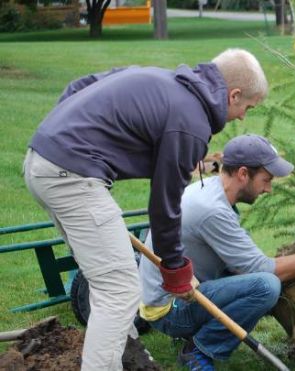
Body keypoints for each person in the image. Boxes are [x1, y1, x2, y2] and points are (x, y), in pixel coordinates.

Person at [23, 48, 268, 370]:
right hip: (71, 178)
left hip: (41, 162)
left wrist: (60, 138)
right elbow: (165, 204)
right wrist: (176, 269)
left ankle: (131, 358)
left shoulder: (161, 80)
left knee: (106, 280)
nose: (243, 116)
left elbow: (80, 85)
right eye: (247, 107)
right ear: (234, 95)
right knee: (120, 289)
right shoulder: (190, 123)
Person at [138, 134, 295, 370]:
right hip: (171, 309)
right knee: (266, 286)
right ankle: (200, 349)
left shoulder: (212, 193)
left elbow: (246, 262)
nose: (268, 189)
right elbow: (263, 270)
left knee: (260, 281)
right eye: (266, 180)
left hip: (179, 292)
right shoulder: (212, 210)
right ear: (243, 174)